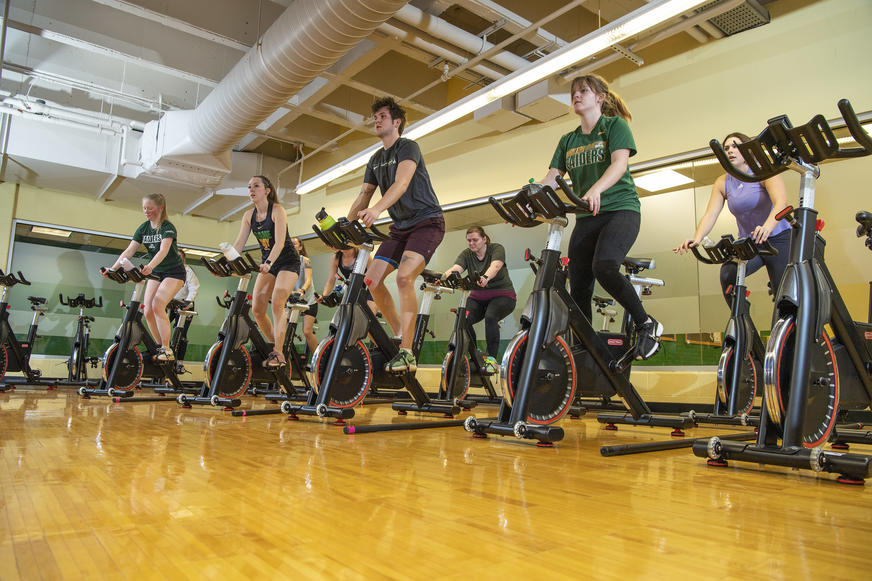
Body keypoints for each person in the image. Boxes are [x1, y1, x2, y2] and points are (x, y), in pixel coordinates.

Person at [541, 73, 662, 359]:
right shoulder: (567, 139)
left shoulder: (613, 126)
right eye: (574, 92)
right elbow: (551, 177)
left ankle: (647, 324)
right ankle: (586, 349)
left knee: (605, 266)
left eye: (583, 90)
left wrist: (595, 189)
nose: (577, 95)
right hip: (588, 217)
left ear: (600, 97)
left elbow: (620, 164)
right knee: (578, 284)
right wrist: (526, 203)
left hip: (621, 209)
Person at [346, 96, 445, 373]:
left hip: (427, 222)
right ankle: (400, 332)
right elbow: (364, 194)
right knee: (372, 280)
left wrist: (377, 209)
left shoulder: (408, 147)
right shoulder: (376, 159)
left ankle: (407, 351)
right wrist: (346, 226)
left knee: (403, 278)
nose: (376, 120)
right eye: (375, 117)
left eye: (382, 116)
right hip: (400, 227)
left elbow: (402, 183)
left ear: (396, 122)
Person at [674, 132, 790, 305]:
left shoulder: (764, 171)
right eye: (726, 148)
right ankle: (744, 325)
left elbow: (781, 202)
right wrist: (697, 238)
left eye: (735, 146)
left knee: (783, 294)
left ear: (748, 151)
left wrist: (767, 227)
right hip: (750, 243)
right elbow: (710, 214)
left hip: (778, 239)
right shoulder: (723, 182)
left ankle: (788, 329)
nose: (730, 151)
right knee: (729, 273)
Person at [102, 193, 185, 361]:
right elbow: (129, 251)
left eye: (150, 208)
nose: (146, 211)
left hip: (174, 272)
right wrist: (113, 268)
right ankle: (158, 347)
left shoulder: (167, 227)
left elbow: (164, 250)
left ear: (160, 208)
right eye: (144, 208)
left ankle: (167, 349)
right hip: (156, 273)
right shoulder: (143, 228)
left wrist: (150, 266)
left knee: (158, 304)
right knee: (147, 310)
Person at [228, 175, 300, 368]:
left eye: (256, 186)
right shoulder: (248, 216)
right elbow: (238, 245)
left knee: (277, 302)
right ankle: (275, 347)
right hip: (269, 263)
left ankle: (280, 353)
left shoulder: (277, 210)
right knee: (257, 309)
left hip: (287, 262)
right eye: (249, 186)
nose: (251, 190)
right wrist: (225, 263)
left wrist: (268, 262)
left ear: (267, 190)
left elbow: (279, 242)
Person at [441, 226, 516, 373]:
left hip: (503, 296)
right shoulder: (467, 254)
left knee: (491, 316)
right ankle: (475, 355)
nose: (471, 243)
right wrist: (441, 277)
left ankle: (492, 359)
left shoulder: (496, 248)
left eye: (475, 240)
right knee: (462, 320)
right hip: (478, 298)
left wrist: (486, 277)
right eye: (469, 240)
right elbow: (456, 268)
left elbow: (496, 265)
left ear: (484, 239)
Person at [318, 246, 378, 316]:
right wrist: (324, 296)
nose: (343, 250)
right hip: (352, 288)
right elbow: (331, 280)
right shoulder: (336, 258)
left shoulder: (363, 255)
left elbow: (374, 278)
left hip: (370, 288)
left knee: (368, 317)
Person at [290, 237, 318, 354]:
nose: (291, 246)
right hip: (293, 301)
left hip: (308, 300)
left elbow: (308, 279)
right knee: (286, 331)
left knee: (306, 331)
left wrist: (302, 290)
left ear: (300, 247)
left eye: (294, 244)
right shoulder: (286, 263)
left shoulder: (305, 260)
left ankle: (318, 360)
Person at [172, 248, 200, 313]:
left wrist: (188, 301)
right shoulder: (168, 270)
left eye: (179, 256)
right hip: (172, 302)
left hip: (185, 301)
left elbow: (194, 288)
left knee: (181, 323)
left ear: (183, 259)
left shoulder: (188, 271)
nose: (177, 258)